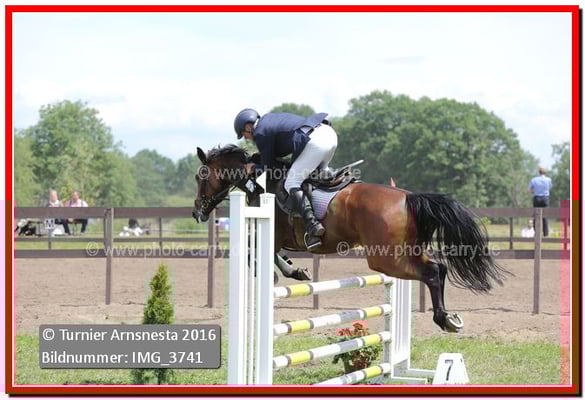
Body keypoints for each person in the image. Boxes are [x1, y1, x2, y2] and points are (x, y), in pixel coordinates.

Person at [234, 108, 338, 250]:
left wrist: (253, 167)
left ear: (248, 126)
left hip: (316, 142)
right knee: (316, 176)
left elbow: (268, 168)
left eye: (243, 134)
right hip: (328, 134)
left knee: (292, 183)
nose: (246, 138)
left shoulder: (260, 132)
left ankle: (313, 225)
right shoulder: (268, 121)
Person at [528, 166, 553, 237]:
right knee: (545, 216)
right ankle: (546, 234)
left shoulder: (534, 180)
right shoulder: (548, 180)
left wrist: (534, 191)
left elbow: (529, 189)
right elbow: (550, 188)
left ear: (539, 172)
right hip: (545, 198)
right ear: (545, 172)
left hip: (537, 198)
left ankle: (536, 233)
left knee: (536, 216)